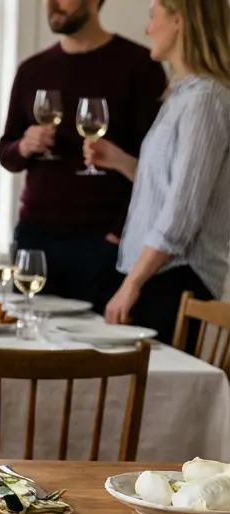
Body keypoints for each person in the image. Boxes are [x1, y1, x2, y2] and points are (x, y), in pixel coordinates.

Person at [0, 0, 167, 312]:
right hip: (35, 238)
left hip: (103, 243)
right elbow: (7, 154)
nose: (51, 4)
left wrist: (117, 235)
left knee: (98, 356)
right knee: (29, 348)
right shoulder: (32, 70)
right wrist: (23, 145)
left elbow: (157, 169)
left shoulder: (140, 66)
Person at [89, 0, 230, 347]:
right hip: (159, 277)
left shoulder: (207, 99)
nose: (147, 28)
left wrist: (131, 284)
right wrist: (121, 161)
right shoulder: (182, 96)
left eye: (153, 17)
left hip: (176, 281)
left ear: (179, 21)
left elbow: (181, 213)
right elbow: (171, 189)